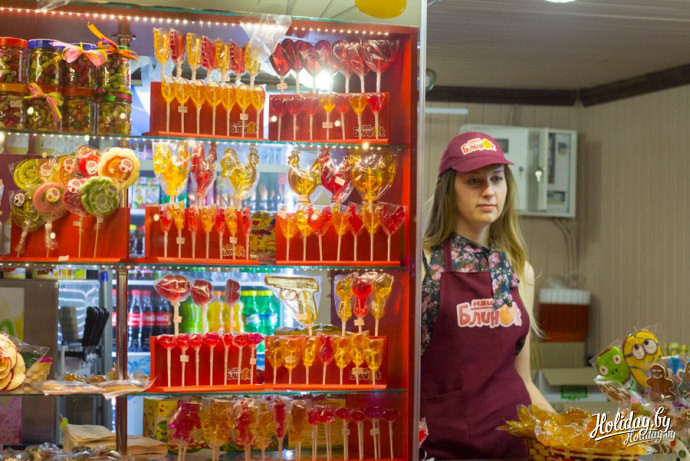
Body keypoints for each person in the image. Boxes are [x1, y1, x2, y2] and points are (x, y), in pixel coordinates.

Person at [420, 131, 554, 459]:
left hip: (513, 447)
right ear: (449, 189)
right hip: (444, 448)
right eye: (473, 181)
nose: (489, 191)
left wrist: (571, 437)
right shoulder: (422, 266)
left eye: (496, 178)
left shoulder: (519, 269)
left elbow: (524, 380)